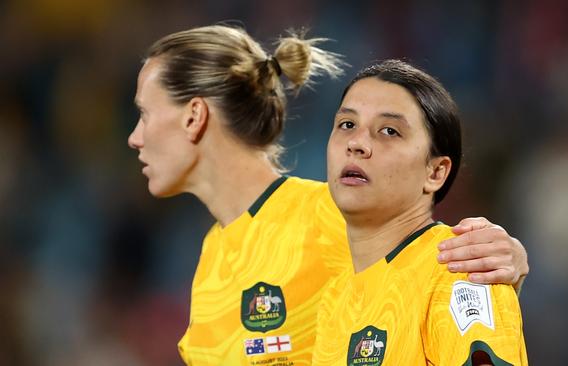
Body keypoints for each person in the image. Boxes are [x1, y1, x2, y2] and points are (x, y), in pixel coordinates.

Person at [127, 24, 528, 365]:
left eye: (145, 114)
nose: (134, 138)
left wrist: (504, 262)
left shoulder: (333, 217)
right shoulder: (211, 266)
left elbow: (434, 264)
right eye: (346, 125)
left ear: (195, 115)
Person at [312, 60, 527, 365]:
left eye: (389, 131)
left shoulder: (459, 271)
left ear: (436, 172)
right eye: (347, 124)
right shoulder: (335, 300)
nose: (357, 143)